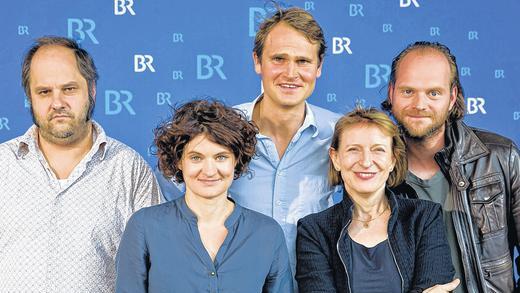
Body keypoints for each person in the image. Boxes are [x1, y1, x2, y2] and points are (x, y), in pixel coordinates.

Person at [156, 7, 341, 277]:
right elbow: (171, 208)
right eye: (279, 59)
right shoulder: (217, 131)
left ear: (319, 67)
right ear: (257, 61)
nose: (291, 73)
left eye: (303, 61)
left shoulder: (339, 134)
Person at [0, 36, 160, 292]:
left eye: (69, 89)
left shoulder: (129, 169)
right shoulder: (2, 164)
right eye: (44, 92)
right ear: (29, 97)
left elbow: (155, 269)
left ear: (92, 89)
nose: (57, 103)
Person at [383, 41, 520, 292]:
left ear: (452, 97)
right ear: (391, 93)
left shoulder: (500, 157)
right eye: (407, 91)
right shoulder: (374, 171)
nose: (419, 104)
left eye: (433, 93)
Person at [115, 100, 293, 292]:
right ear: (179, 162)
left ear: (236, 161)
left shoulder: (267, 233)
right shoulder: (144, 226)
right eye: (196, 157)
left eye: (221, 157)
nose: (209, 171)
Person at [296, 107, 454, 293]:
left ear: (393, 160)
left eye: (378, 150)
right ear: (336, 158)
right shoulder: (314, 230)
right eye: (354, 150)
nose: (366, 161)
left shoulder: (424, 218)